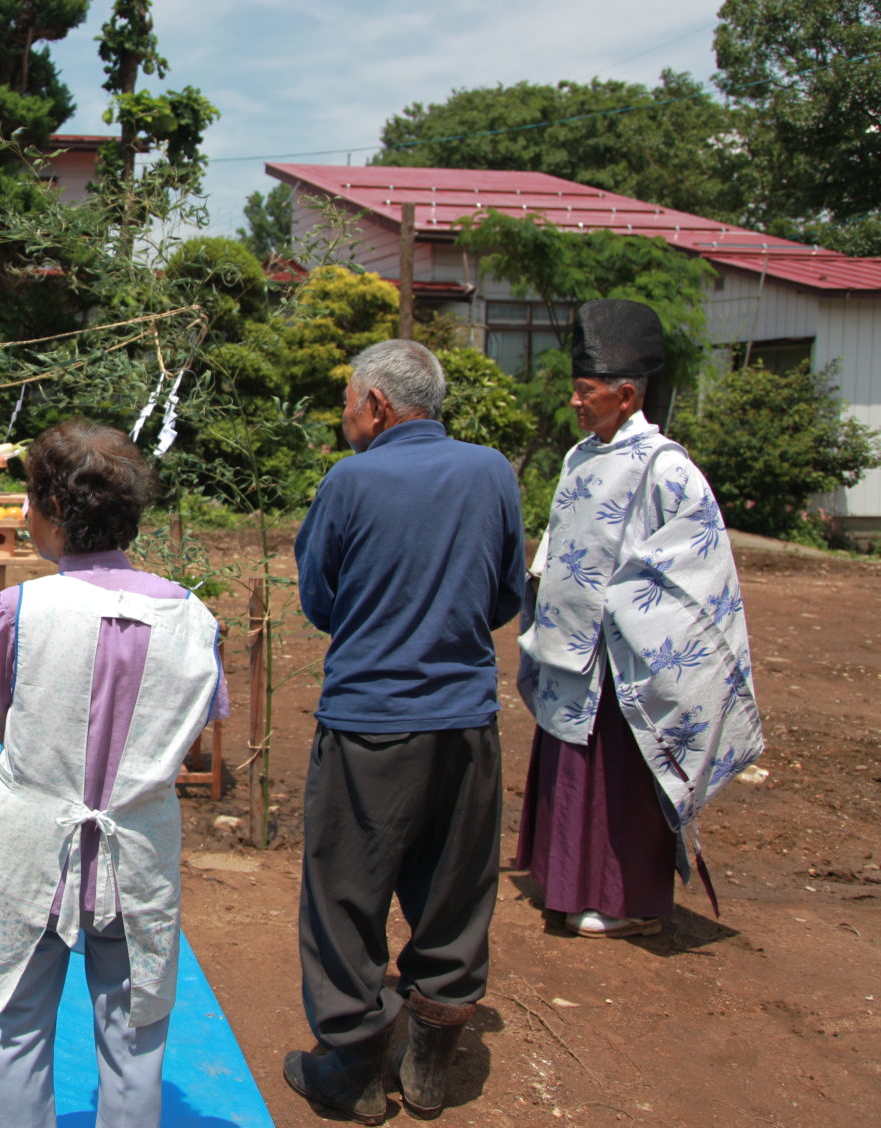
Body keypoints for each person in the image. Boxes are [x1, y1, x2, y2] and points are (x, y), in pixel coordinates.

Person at [0, 420, 227, 1128]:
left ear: (47, 513)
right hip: (136, 855)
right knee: (134, 1038)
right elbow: (198, 722)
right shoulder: (194, 620)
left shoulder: (17, 610)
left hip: (27, 852)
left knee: (14, 1028)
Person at [282, 340, 524, 1123]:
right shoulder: (493, 472)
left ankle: (352, 1069)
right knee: (455, 888)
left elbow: (320, 600)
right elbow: (504, 594)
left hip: (369, 724)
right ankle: (429, 1063)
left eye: (350, 401)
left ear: (378, 407)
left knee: (344, 894)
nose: (345, 415)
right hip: (464, 722)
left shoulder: (350, 481)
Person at [516, 300, 761, 940]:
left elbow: (694, 567)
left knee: (615, 783)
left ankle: (624, 899)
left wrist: (616, 606)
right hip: (571, 651)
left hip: (621, 659)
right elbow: (559, 539)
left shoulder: (667, 467)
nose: (574, 402)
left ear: (626, 395)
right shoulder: (578, 457)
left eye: (584, 391)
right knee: (571, 774)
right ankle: (566, 882)